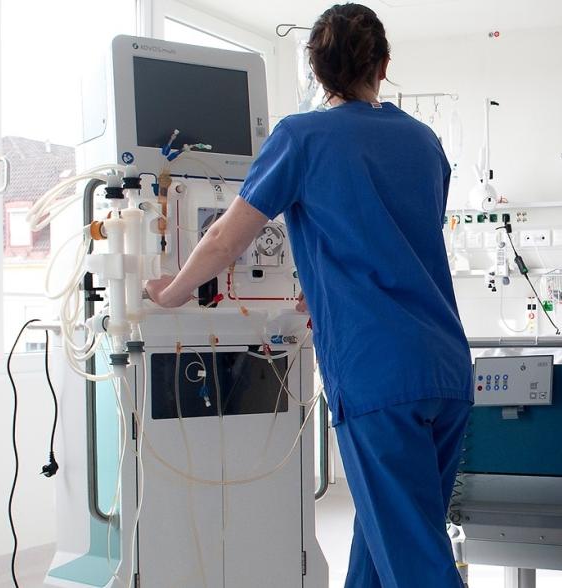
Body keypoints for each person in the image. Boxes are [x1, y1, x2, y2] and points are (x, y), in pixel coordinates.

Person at [145, 4, 472, 587]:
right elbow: (398, 239)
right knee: (388, 540)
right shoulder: (425, 143)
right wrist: (323, 290)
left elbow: (225, 239)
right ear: (383, 65)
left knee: (415, 563)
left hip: (377, 372)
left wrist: (171, 292)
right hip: (445, 370)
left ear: (316, 73)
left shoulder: (301, 137)